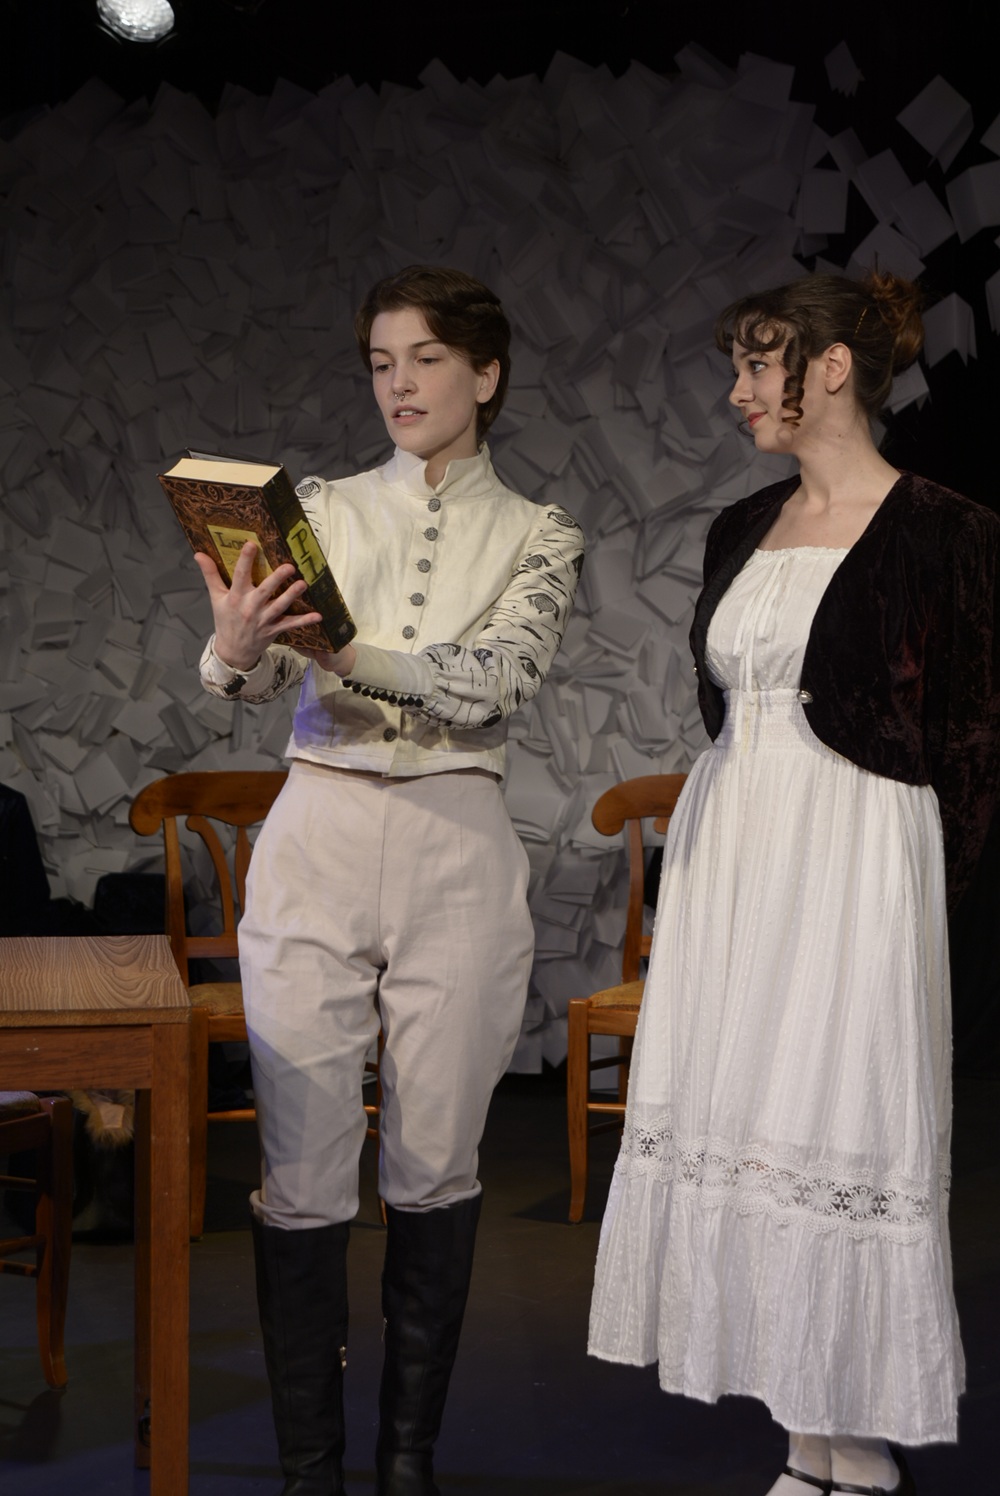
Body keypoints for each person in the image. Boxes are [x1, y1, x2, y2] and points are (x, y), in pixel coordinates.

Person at [588, 270, 1000, 1496]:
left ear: (829, 367)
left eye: (756, 362)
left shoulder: (947, 530)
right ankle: (806, 1440)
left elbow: (975, 740)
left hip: (856, 851)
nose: (736, 389)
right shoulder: (741, 525)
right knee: (749, 1116)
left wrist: (908, 889)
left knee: (839, 1114)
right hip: (739, 847)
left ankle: (857, 1448)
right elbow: (722, 699)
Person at [194, 264, 584, 1496]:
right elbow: (262, 674)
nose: (398, 384)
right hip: (318, 828)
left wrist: (353, 650)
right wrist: (234, 650)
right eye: (379, 362)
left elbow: (496, 676)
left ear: (485, 372)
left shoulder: (539, 532)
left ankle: (405, 1460)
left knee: (434, 1163)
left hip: (454, 844)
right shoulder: (317, 508)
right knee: (302, 1166)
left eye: (424, 358)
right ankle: (310, 1469)